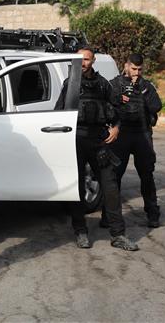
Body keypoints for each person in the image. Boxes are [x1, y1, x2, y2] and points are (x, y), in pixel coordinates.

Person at [54, 47, 139, 252]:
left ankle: (118, 234)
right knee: (77, 189)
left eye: (87, 60)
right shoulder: (70, 84)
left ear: (93, 62)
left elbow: (118, 109)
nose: (83, 63)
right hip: (75, 140)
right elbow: (57, 113)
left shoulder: (103, 84)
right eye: (80, 59)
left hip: (99, 141)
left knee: (110, 188)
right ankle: (80, 231)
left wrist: (117, 128)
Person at [105, 54, 163, 228]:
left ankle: (152, 213)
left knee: (146, 175)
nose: (137, 72)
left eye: (139, 69)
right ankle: (109, 216)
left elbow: (156, 107)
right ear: (126, 66)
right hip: (121, 134)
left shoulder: (146, 86)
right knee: (114, 176)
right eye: (134, 69)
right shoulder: (114, 85)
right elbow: (105, 105)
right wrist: (117, 99)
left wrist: (141, 92)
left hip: (142, 134)